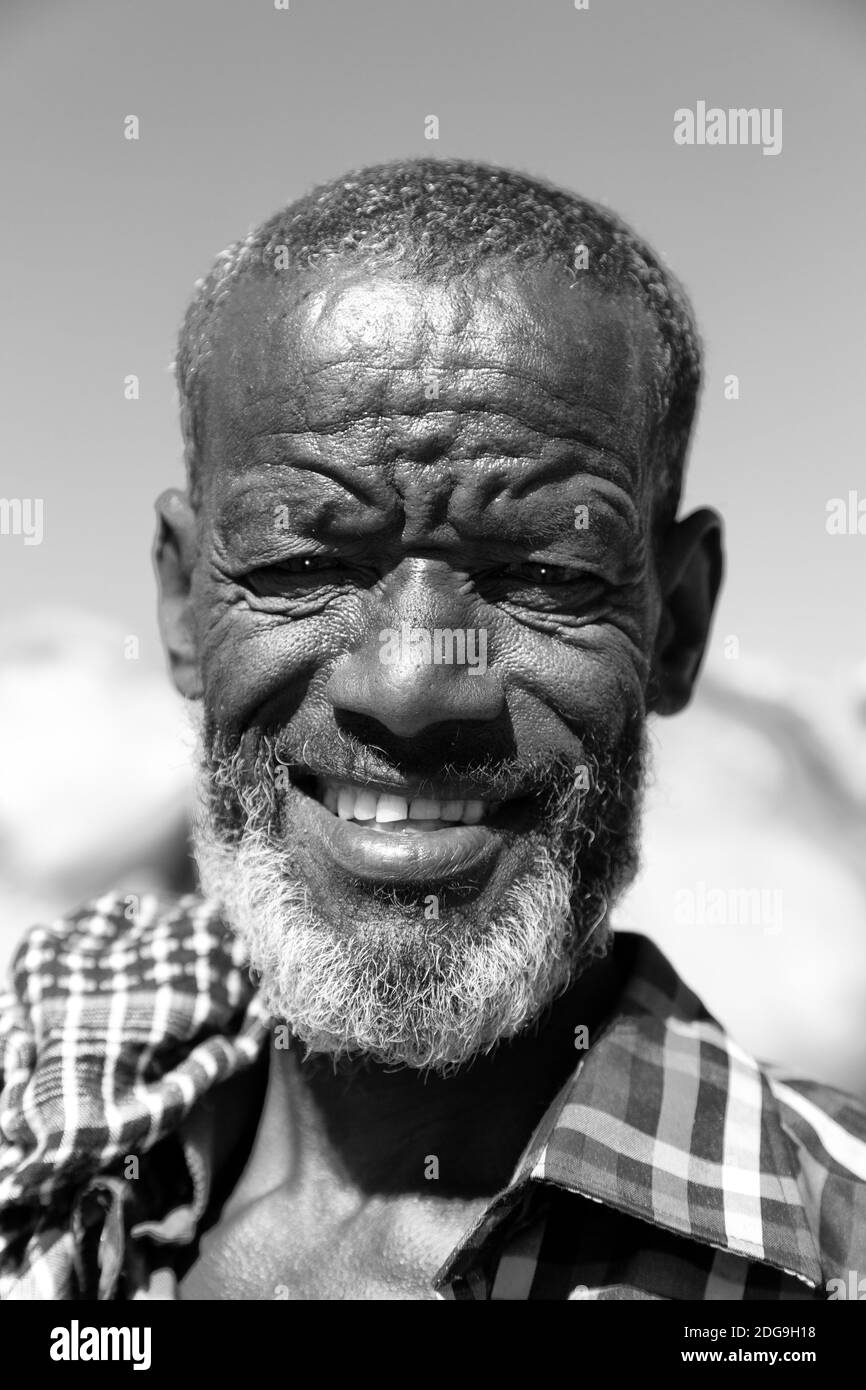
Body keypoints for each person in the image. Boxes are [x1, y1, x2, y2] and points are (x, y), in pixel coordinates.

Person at [2, 158, 864, 1301]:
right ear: (180, 607)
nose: (409, 690)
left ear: (676, 625)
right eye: (304, 563)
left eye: (545, 574)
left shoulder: (819, 1256)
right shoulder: (58, 1110)